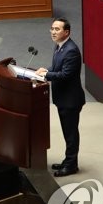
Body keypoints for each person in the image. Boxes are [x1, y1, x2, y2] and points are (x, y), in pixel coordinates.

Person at [35, 17, 85, 177]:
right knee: (67, 131)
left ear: (67, 32)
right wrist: (46, 70)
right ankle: (68, 161)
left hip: (71, 100)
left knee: (70, 133)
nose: (53, 32)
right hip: (63, 98)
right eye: (52, 29)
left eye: (57, 29)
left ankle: (71, 165)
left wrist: (47, 75)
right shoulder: (60, 46)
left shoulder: (71, 50)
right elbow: (58, 67)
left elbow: (65, 74)